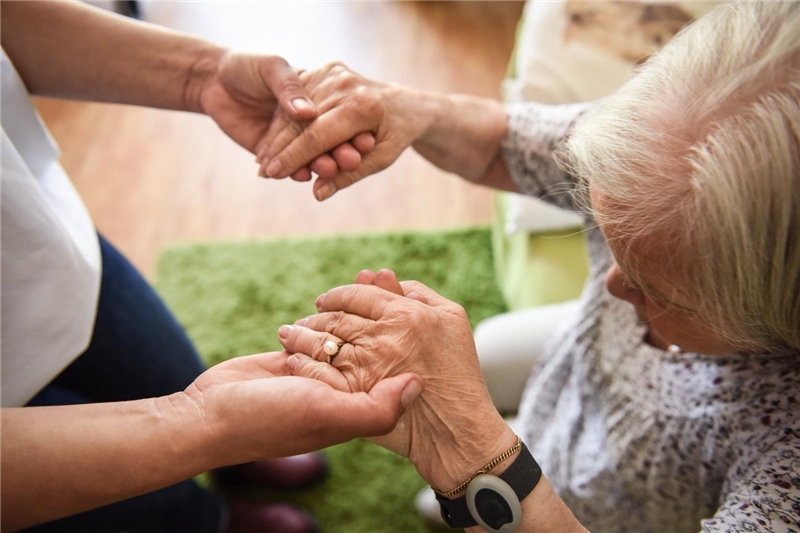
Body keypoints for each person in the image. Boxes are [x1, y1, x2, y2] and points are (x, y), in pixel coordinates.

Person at [268, 2, 800, 531]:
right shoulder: (667, 141)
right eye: (603, 231)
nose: (610, 283)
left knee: (444, 500)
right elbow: (505, 143)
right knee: (492, 346)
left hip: (608, 511)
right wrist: (407, 109)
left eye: (660, 290)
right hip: (576, 377)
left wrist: (476, 462)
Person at [0, 2, 402, 532]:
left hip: (37, 238)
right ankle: (210, 517)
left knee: (168, 370)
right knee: (142, 509)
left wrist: (204, 75)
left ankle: (234, 460)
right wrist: (203, 424)